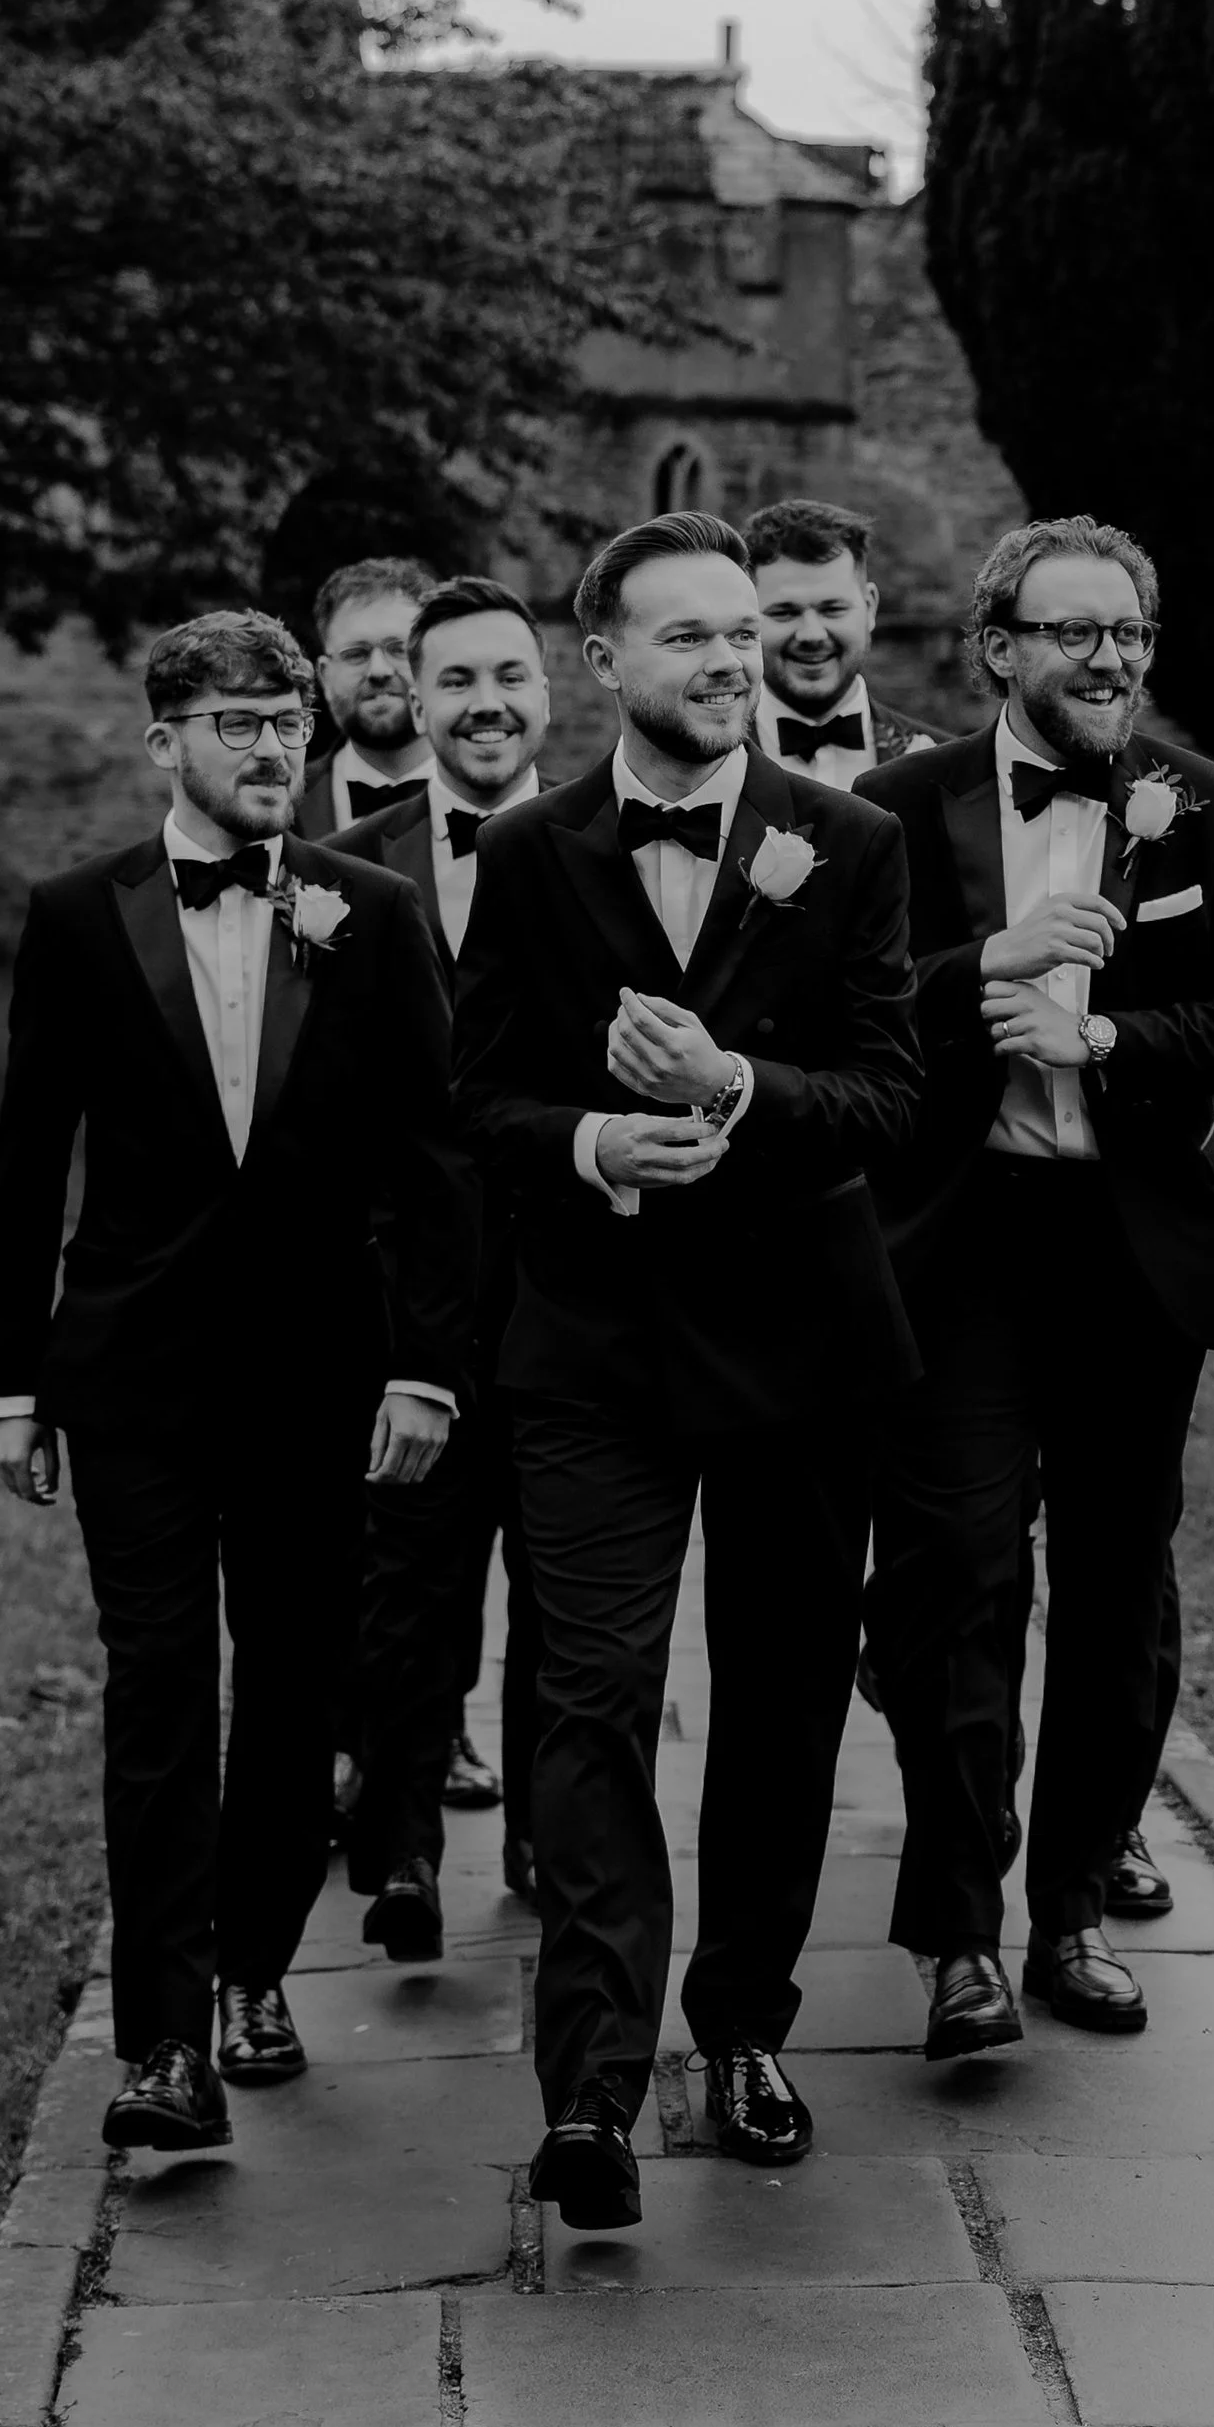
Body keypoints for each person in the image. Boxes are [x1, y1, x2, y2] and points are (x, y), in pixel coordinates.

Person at [451, 510, 922, 2233]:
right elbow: (476, 1100)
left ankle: (741, 2032)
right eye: (690, 637)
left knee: (786, 1706)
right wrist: (589, 1142)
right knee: (585, 1701)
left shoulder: (847, 844)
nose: (731, 659)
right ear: (609, 661)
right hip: (590, 1348)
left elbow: (889, 1095)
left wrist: (734, 1085)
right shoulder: (528, 853)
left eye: (744, 633)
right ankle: (587, 2087)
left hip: (803, 1340)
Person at [0, 608, 475, 2153]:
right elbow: (24, 1151)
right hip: (130, 1369)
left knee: (291, 1694)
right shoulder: (76, 913)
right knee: (158, 1693)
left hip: (321, 1372)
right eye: (243, 723)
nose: (276, 749)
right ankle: (163, 2041)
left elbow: (437, 1156)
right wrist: (11, 1379)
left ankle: (256, 1968)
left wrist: (427, 1367)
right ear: (166, 742)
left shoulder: (371, 909)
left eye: (291, 723)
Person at [859, 516, 1214, 2064]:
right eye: (1074, 632)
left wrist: (1108, 1042)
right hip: (962, 1243)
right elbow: (852, 1020)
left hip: (1130, 1253)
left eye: (1127, 632)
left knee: (1118, 1585)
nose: (1109, 657)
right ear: (999, 647)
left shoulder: (1202, 808)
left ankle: (1065, 1917)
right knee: (956, 1578)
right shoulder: (898, 806)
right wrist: (991, 969)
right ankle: (954, 1932)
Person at [332, 573, 554, 1948]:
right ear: (417, 700)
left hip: (563, 1287)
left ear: (548, 694)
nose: (483, 705)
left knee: (562, 1577)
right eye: (455, 682)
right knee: (406, 1583)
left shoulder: (604, 845)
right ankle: (401, 1842)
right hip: (401, 1294)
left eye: (507, 679)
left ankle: (542, 1829)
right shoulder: (348, 867)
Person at [745, 496, 937, 786]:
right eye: (784, 612)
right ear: (747, 619)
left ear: (870, 607)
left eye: (832, 609)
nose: (812, 634)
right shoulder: (701, 760)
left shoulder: (943, 765)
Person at [306, 555, 439, 830]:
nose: (379, 671)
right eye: (356, 654)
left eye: (398, 649)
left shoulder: (510, 802)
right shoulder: (283, 803)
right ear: (324, 675)